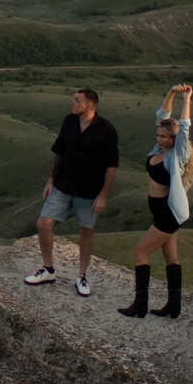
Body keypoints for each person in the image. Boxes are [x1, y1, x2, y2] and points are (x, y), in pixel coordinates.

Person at [27, 86, 117, 297]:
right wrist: (50, 179)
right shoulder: (69, 121)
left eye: (76, 100)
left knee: (86, 231)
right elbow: (57, 151)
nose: (72, 103)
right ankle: (48, 269)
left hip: (89, 191)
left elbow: (112, 165)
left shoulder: (106, 130)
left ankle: (82, 275)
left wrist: (103, 195)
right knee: (43, 223)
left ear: (89, 105)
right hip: (63, 185)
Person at [121, 85, 193, 319]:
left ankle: (140, 305)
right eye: (158, 135)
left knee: (139, 252)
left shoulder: (177, 155)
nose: (159, 139)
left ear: (173, 140)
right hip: (161, 213)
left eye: (164, 137)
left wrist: (186, 99)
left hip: (167, 214)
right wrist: (171, 93)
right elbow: (162, 116)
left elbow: (184, 128)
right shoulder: (158, 149)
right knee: (170, 257)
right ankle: (174, 307)